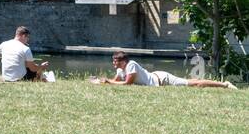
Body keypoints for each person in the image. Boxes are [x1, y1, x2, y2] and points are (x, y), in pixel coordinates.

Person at [95, 51, 237, 89]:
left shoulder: (131, 64)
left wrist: (108, 82)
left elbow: (127, 84)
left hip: (162, 79)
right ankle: (224, 84)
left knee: (195, 84)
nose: (113, 63)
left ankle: (225, 84)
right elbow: (115, 82)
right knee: (193, 83)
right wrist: (102, 82)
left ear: (123, 61)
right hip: (158, 78)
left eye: (116, 60)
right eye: (113, 60)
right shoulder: (121, 70)